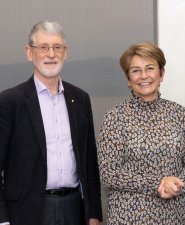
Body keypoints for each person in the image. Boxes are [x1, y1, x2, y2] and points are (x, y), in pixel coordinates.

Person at [0, 20, 102, 225]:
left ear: (65, 52)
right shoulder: (10, 101)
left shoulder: (80, 99)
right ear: (29, 53)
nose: (51, 54)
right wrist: (2, 219)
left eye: (57, 47)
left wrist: (94, 214)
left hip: (74, 209)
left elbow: (90, 161)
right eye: (43, 47)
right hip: (26, 212)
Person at [97, 42, 185, 224]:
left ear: (161, 74)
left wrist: (177, 185)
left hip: (174, 216)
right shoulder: (115, 117)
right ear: (128, 79)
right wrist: (158, 184)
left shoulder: (180, 114)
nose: (144, 76)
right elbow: (108, 173)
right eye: (136, 70)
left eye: (150, 68)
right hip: (129, 217)